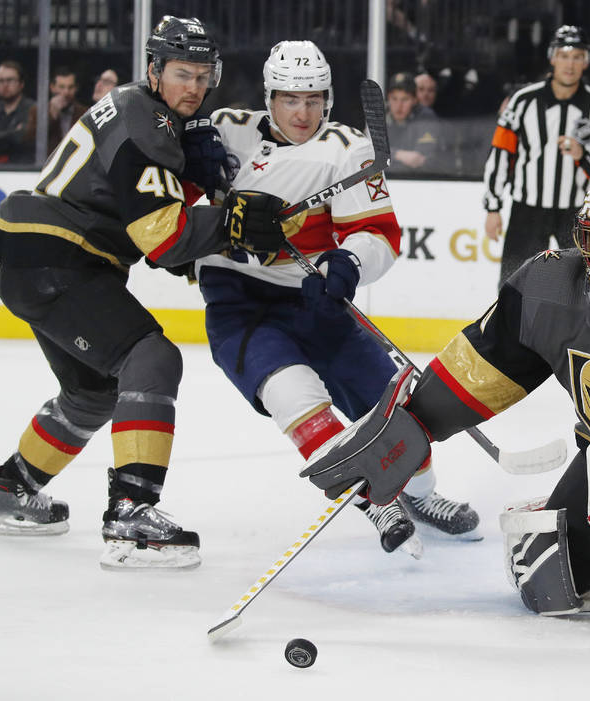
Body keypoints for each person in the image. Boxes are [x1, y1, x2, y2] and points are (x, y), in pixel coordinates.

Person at [301, 165, 590, 628]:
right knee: (552, 582)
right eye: (587, 236)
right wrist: (414, 424)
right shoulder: (548, 287)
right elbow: (484, 366)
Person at [0, 16, 294, 569]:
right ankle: (131, 511)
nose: (196, 87)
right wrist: (229, 221)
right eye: (183, 73)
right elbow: (162, 238)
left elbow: (154, 228)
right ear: (154, 69)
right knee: (151, 357)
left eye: (205, 75)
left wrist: (196, 198)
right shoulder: (148, 119)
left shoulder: (144, 110)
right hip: (60, 256)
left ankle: (12, 485)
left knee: (90, 395)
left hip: (34, 254)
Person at [192, 40, 479, 556]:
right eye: (289, 100)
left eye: (315, 99)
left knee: (396, 411)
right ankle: (374, 498)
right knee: (294, 395)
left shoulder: (348, 149)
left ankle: (418, 496)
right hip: (241, 305)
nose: (304, 113)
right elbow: (179, 194)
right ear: (268, 96)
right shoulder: (225, 128)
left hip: (316, 300)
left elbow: (378, 234)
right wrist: (197, 177)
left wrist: (346, 263)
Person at [483, 25, 590, 289]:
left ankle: (581, 331)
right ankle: (510, 330)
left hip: (578, 211)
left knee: (586, 285)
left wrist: (584, 154)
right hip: (528, 207)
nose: (569, 64)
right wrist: (493, 207)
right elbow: (502, 153)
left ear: (587, 61)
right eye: (564, 55)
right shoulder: (523, 101)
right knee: (513, 284)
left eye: (577, 56)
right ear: (552, 58)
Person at [386, 74, 442, 174]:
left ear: (415, 101)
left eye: (405, 99)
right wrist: (399, 154)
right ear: (388, 98)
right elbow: (368, 153)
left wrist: (387, 155)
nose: (399, 106)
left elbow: (418, 160)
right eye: (394, 99)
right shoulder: (378, 115)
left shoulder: (426, 117)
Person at [0, 59, 36, 164]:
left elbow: (24, 139)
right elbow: (16, 137)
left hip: (23, 170)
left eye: (10, 80)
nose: (5, 85)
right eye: (1, 81)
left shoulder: (33, 109)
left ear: (21, 84)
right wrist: (14, 133)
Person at [46, 66, 88, 154]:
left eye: (70, 87)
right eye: (61, 87)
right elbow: (31, 141)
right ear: (52, 87)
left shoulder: (85, 113)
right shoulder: (39, 111)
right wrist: (52, 115)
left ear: (76, 88)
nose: (66, 92)